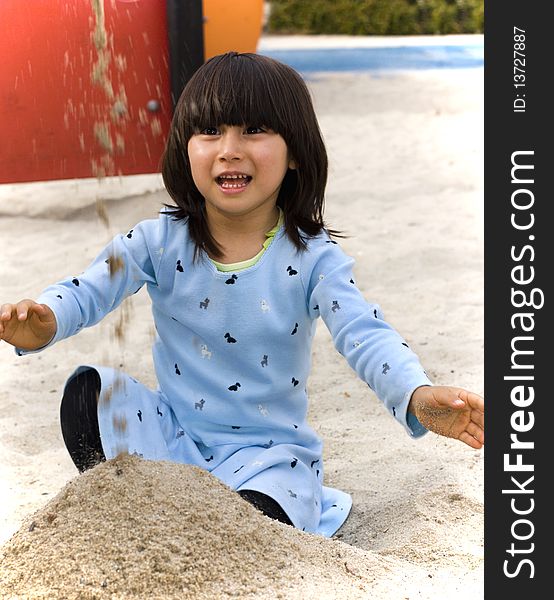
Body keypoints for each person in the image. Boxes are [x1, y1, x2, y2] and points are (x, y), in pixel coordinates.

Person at [0, 52, 484, 537]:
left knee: (264, 511)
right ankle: (145, 510)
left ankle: (219, 526)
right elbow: (89, 288)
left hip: (267, 458)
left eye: (254, 130)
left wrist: (417, 395)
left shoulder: (312, 258)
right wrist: (46, 319)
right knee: (88, 394)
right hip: (173, 439)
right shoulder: (158, 241)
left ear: (295, 151)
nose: (229, 149)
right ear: (185, 149)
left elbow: (365, 334)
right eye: (210, 131)